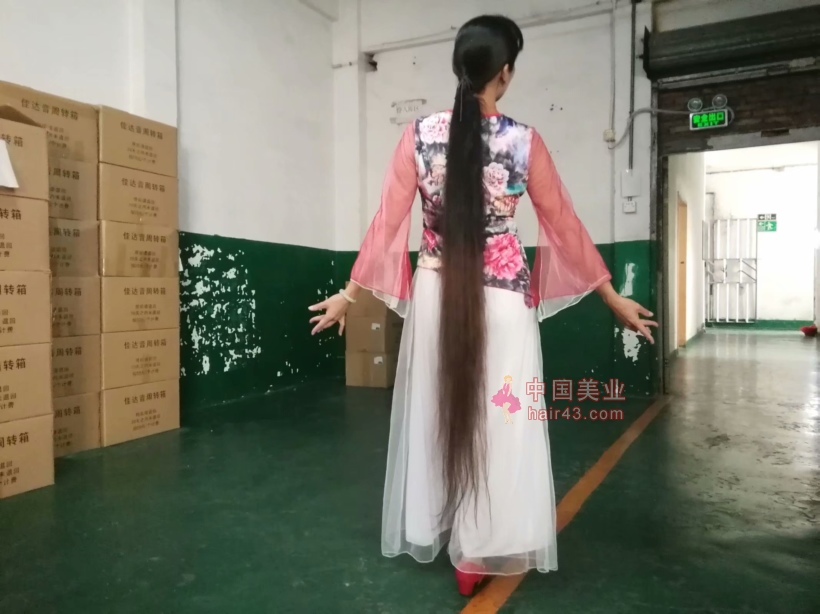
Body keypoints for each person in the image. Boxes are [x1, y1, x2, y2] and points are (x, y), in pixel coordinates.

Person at [309, 14, 657, 597]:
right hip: (504, 303)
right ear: (505, 73)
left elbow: (388, 221)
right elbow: (563, 224)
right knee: (502, 421)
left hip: (435, 298)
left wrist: (349, 294)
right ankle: (478, 549)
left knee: (439, 411)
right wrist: (610, 294)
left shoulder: (418, 136)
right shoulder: (523, 142)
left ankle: (443, 525)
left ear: (460, 68)